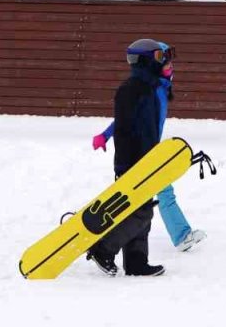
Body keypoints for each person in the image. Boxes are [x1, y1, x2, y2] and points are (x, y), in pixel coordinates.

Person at [92, 45, 206, 255]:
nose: (171, 68)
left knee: (159, 194)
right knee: (153, 197)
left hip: (152, 151)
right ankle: (179, 236)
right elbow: (126, 118)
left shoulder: (159, 87)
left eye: (172, 64)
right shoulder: (149, 89)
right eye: (167, 64)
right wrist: (106, 135)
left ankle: (177, 236)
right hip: (143, 154)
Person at [86, 39, 177, 277]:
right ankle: (103, 249)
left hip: (149, 157)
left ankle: (136, 261)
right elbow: (126, 127)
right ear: (145, 60)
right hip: (135, 160)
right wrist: (132, 162)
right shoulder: (132, 90)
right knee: (141, 210)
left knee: (140, 210)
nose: (164, 63)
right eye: (159, 57)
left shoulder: (152, 87)